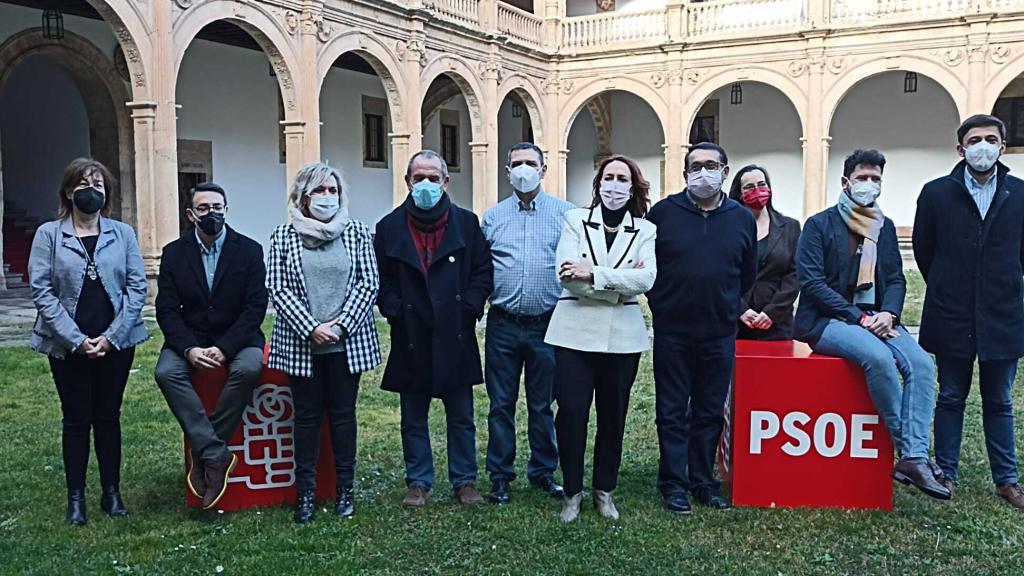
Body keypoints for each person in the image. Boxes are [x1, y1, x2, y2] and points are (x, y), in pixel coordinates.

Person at [795, 149, 950, 501]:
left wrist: (889, 314)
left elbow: (895, 278)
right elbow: (812, 283)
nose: (869, 185)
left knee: (922, 364)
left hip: (879, 318)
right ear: (845, 182)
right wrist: (860, 318)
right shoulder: (819, 224)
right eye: (862, 178)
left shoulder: (885, 225)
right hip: (828, 321)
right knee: (879, 359)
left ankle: (912, 458)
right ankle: (914, 453)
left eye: (875, 179)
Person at [28, 158, 148, 525]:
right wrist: (77, 339)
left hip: (116, 342)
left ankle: (111, 493)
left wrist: (111, 338)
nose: (91, 190)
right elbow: (42, 289)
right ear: (69, 191)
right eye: (83, 183)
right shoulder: (49, 234)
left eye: (98, 183)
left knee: (109, 417)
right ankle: (75, 497)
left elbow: (137, 286)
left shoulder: (122, 233)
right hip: (68, 345)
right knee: (76, 419)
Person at [914, 115, 1024, 508]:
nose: (982, 146)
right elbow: (926, 251)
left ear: (1003, 146)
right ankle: (945, 472)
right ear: (960, 149)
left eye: (990, 139)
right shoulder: (936, 194)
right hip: (952, 312)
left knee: (999, 400)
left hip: (1002, 313)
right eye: (974, 140)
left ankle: (1007, 480)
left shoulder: (1020, 193)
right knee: (951, 396)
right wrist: (947, 285)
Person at [374, 150, 494, 507]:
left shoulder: (467, 224)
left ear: (446, 181)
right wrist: (396, 311)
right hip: (411, 334)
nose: (425, 184)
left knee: (461, 416)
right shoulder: (389, 227)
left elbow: (482, 272)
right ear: (407, 182)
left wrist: (469, 308)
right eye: (418, 178)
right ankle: (418, 482)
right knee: (413, 416)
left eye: (433, 178)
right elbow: (381, 281)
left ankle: (465, 481)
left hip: (454, 332)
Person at [267, 162, 382, 523]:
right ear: (303, 196)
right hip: (303, 344)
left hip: (347, 343)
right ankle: (306, 493)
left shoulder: (358, 232)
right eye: (320, 191)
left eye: (333, 190)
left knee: (344, 417)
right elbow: (278, 287)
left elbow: (369, 282)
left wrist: (341, 325)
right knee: (306, 419)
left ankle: (345, 490)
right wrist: (311, 327)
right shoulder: (282, 236)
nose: (327, 197)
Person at [545, 155, 657, 522]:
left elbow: (647, 280)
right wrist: (618, 284)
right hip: (573, 333)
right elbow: (566, 275)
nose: (614, 185)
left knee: (614, 416)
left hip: (622, 340)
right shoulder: (575, 220)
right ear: (599, 183)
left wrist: (593, 273)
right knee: (572, 414)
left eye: (622, 178)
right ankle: (572, 493)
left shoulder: (645, 230)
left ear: (632, 185)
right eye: (608, 177)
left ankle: (604, 491)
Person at [646, 142, 756, 514]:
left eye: (711, 166)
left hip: (719, 332)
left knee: (710, 410)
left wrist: (726, 309)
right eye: (696, 166)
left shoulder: (741, 218)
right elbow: (647, 268)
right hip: (673, 331)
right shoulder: (663, 214)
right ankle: (673, 482)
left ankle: (702, 481)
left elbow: (747, 274)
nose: (703, 173)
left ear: (726, 172)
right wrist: (662, 305)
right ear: (685, 174)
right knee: (672, 409)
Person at [154, 182, 268, 511]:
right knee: (165, 372)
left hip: (238, 338)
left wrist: (226, 347)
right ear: (191, 215)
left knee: (248, 368)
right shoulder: (174, 254)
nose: (211, 214)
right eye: (203, 209)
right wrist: (188, 348)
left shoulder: (249, 250)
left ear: (226, 210)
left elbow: (255, 307)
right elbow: (166, 309)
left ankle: (205, 448)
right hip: (189, 339)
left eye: (217, 207)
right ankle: (217, 454)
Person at [481, 142, 574, 504]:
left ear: (543, 169)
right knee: (500, 404)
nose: (523, 169)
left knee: (542, 404)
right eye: (516, 163)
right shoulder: (492, 216)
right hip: (503, 323)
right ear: (507, 170)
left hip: (547, 323)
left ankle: (543, 471)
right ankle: (500, 475)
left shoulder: (566, 215)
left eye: (530, 163)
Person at [728, 164, 801, 341]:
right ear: (740, 193)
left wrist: (773, 312)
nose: (757, 190)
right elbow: (721, 273)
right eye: (749, 187)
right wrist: (741, 310)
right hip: (735, 323)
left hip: (777, 325)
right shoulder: (727, 228)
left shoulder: (790, 227)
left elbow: (795, 274)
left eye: (762, 184)